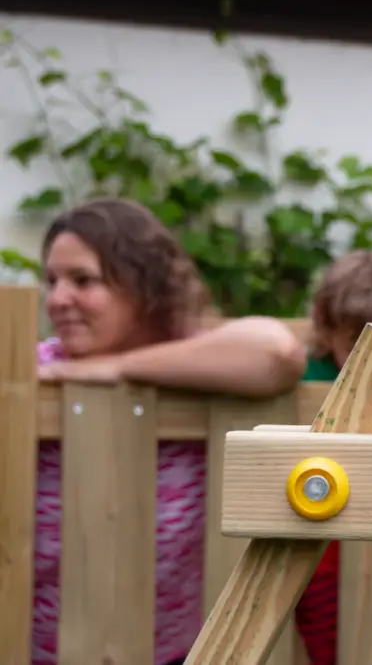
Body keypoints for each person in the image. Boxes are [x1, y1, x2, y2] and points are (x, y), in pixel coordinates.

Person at [33, 198, 307, 665]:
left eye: (83, 280)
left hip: (176, 654)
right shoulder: (38, 370)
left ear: (144, 285)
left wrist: (112, 369)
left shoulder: (193, 363)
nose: (58, 299)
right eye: (52, 281)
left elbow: (276, 353)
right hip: (34, 651)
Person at [294, 250, 372, 665]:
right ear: (327, 331)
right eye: (355, 343)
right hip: (318, 553)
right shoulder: (305, 375)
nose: (368, 357)